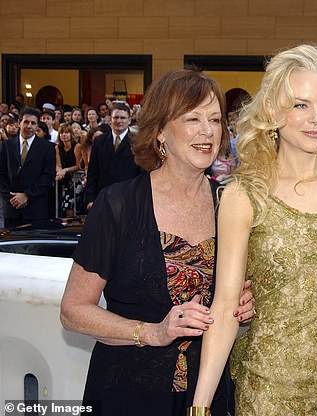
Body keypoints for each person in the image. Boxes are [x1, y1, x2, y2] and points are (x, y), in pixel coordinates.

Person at [59, 69, 254, 416]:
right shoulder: (118, 204)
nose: (208, 131)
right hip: (128, 394)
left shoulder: (230, 206)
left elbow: (230, 305)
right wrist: (152, 331)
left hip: (208, 396)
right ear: (160, 130)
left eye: (214, 119)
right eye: (193, 118)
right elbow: (73, 311)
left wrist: (242, 308)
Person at [191, 44, 317, 415]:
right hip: (268, 391)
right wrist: (200, 406)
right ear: (272, 110)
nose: (316, 118)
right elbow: (224, 307)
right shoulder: (244, 195)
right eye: (300, 105)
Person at [0, 107, 56, 228]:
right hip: (12, 209)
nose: (29, 126)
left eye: (33, 123)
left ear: (37, 126)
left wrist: (27, 196)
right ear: (19, 123)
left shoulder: (47, 148)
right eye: (26, 122)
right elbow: (1, 174)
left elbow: (47, 176)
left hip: (36, 210)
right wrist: (12, 198)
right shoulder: (6, 146)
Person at [84, 102, 142, 209]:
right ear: (110, 120)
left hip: (129, 200)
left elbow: (141, 174)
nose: (119, 121)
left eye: (123, 118)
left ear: (129, 120)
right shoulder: (99, 141)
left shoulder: (138, 143)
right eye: (116, 117)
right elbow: (93, 171)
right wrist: (90, 199)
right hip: (103, 198)